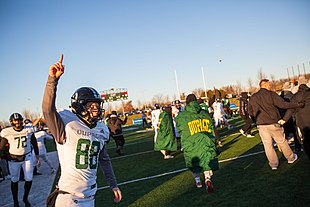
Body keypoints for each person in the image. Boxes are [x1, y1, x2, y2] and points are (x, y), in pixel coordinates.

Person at [42, 54, 122, 207]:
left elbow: (104, 159)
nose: (96, 109)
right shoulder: (67, 124)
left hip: (90, 196)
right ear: (79, 106)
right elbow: (47, 110)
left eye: (97, 105)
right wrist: (52, 80)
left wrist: (113, 184)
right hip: (69, 198)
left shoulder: (101, 129)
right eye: (91, 106)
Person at [248, 79, 303, 170]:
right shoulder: (271, 94)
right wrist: (296, 104)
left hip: (261, 125)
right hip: (273, 123)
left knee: (268, 145)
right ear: (264, 85)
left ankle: (273, 164)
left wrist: (256, 121)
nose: (270, 86)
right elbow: (283, 105)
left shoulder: (253, 97)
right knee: (281, 141)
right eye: (269, 85)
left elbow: (250, 112)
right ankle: (290, 158)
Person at [175, 94, 218, 193]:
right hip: (205, 142)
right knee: (207, 161)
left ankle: (198, 181)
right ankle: (207, 178)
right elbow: (212, 127)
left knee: (193, 162)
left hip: (191, 144)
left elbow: (179, 131)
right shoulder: (204, 113)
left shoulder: (182, 116)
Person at [0, 113, 40, 207]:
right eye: (15, 120)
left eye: (19, 120)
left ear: (22, 121)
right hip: (14, 158)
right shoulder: (7, 132)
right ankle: (15, 202)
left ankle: (25, 199)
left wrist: (37, 156)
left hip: (27, 157)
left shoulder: (28, 130)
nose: (17, 122)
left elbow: (34, 143)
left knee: (29, 178)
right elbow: (1, 147)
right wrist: (3, 155)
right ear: (12, 122)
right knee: (14, 180)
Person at [280, 82, 310, 160]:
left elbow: (291, 109)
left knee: (306, 139)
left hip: (302, 121)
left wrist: (284, 119)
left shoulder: (296, 96)